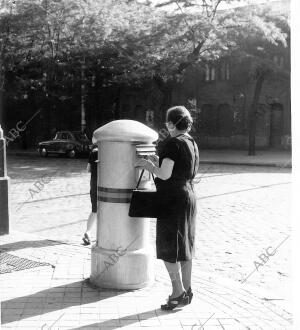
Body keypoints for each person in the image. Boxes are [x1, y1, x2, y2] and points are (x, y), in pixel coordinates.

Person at [136, 105, 199, 310]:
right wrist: (159, 162)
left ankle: (177, 292)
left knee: (169, 247)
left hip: (172, 200)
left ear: (171, 124)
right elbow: (177, 168)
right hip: (188, 197)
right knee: (185, 246)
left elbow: (164, 174)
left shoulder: (172, 143)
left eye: (167, 123)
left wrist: (149, 166)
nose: (166, 126)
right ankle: (187, 291)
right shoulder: (191, 142)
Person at [82, 145, 98, 245]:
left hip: (94, 183)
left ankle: (88, 232)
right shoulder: (109, 150)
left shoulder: (93, 152)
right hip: (106, 184)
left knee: (95, 210)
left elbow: (88, 169)